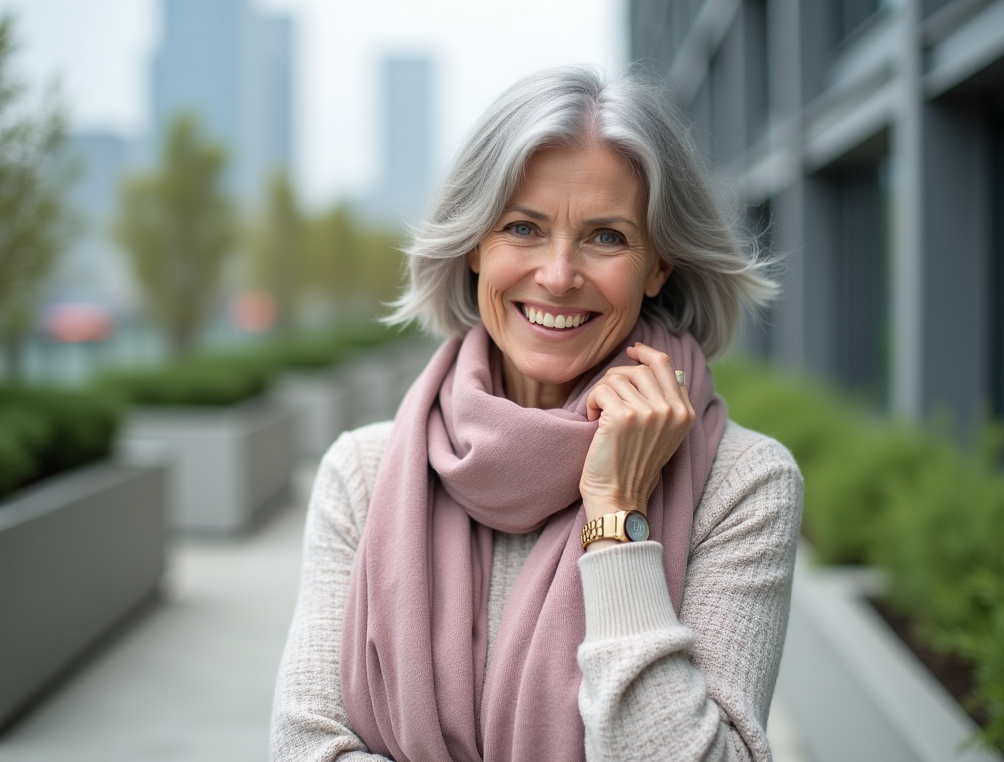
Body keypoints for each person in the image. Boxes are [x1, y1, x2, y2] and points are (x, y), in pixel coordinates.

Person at [271, 66, 803, 762]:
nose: (557, 275)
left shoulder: (744, 485)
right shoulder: (363, 474)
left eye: (606, 237)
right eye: (523, 227)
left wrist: (617, 518)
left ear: (659, 266)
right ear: (474, 248)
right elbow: (305, 746)